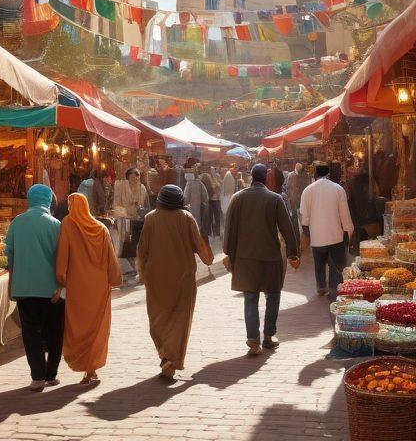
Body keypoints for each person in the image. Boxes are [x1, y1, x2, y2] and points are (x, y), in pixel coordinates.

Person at [136, 184, 214, 381]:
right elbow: (203, 252)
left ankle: (165, 355)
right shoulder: (187, 218)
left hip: (156, 279)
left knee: (157, 318)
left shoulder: (150, 218)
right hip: (183, 278)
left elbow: (141, 251)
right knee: (180, 319)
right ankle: (171, 357)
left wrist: (142, 274)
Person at [223, 163, 301, 355]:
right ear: (265, 178)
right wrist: (293, 253)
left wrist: (228, 253)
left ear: (251, 177)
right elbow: (287, 228)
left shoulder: (237, 198)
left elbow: (230, 229)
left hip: (244, 257)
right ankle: (268, 336)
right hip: (270, 256)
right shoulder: (274, 199)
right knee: (272, 295)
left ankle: (252, 338)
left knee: (250, 298)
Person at [55, 192, 122, 386]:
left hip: (78, 286)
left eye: (69, 204)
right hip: (99, 286)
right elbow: (111, 257)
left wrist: (61, 277)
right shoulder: (101, 228)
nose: (68, 207)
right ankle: (91, 368)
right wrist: (115, 279)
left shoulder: (68, 223)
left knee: (79, 325)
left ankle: (87, 367)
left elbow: (63, 253)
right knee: (97, 326)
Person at [4, 184, 64, 391]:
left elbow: (10, 255)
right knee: (55, 332)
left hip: (25, 287)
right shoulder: (55, 224)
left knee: (31, 333)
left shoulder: (17, 223)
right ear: (48, 201)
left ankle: (37, 376)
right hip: (52, 290)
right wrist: (61, 285)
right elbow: (62, 258)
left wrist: (14, 279)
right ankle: (51, 375)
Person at [299, 163, 353, 297]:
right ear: (328, 174)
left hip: (317, 237)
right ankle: (335, 290)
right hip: (335, 236)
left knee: (319, 264)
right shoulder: (338, 188)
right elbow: (345, 214)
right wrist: (349, 231)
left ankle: (321, 287)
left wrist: (307, 233)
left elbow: (304, 217)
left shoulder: (307, 190)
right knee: (335, 266)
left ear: (315, 175)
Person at [183, 159, 209, 235]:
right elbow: (205, 197)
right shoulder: (199, 182)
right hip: (198, 211)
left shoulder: (189, 183)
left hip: (190, 211)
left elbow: (186, 199)